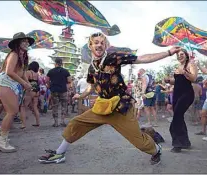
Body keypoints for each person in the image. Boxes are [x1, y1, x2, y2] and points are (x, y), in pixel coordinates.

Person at [38, 32, 181, 165]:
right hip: (102, 108)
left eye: (102, 42)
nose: (99, 45)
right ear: (91, 46)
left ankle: (156, 150)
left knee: (139, 141)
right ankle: (59, 153)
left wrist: (168, 52)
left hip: (120, 107)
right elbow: (91, 87)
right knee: (76, 123)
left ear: (105, 45)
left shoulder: (113, 58)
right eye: (96, 42)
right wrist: (80, 96)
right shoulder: (91, 68)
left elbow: (142, 59)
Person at [0, 32, 33, 152]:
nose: (26, 43)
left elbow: (23, 73)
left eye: (27, 41)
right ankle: (2, 142)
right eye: (23, 41)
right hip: (4, 81)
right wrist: (24, 83)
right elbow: (9, 71)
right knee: (12, 111)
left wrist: (27, 83)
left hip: (11, 83)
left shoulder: (23, 57)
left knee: (12, 111)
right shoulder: (14, 54)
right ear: (17, 43)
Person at [164, 49, 198, 153]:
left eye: (182, 54)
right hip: (177, 94)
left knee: (177, 117)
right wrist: (169, 80)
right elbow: (177, 81)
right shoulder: (177, 67)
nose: (179, 56)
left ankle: (177, 144)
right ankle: (185, 142)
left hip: (186, 94)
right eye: (178, 55)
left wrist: (186, 73)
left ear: (186, 55)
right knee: (179, 116)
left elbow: (194, 78)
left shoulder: (191, 64)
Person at [46, 58, 72, 127]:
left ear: (55, 63)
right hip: (63, 90)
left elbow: (47, 80)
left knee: (55, 106)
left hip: (54, 90)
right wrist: (67, 88)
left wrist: (49, 86)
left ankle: (56, 122)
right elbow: (69, 80)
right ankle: (62, 121)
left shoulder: (51, 71)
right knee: (64, 106)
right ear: (61, 63)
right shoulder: (65, 71)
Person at [20, 61, 40, 129]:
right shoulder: (37, 74)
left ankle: (23, 124)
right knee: (35, 106)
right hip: (37, 90)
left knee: (23, 107)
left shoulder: (28, 72)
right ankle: (37, 122)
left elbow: (25, 81)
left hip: (30, 90)